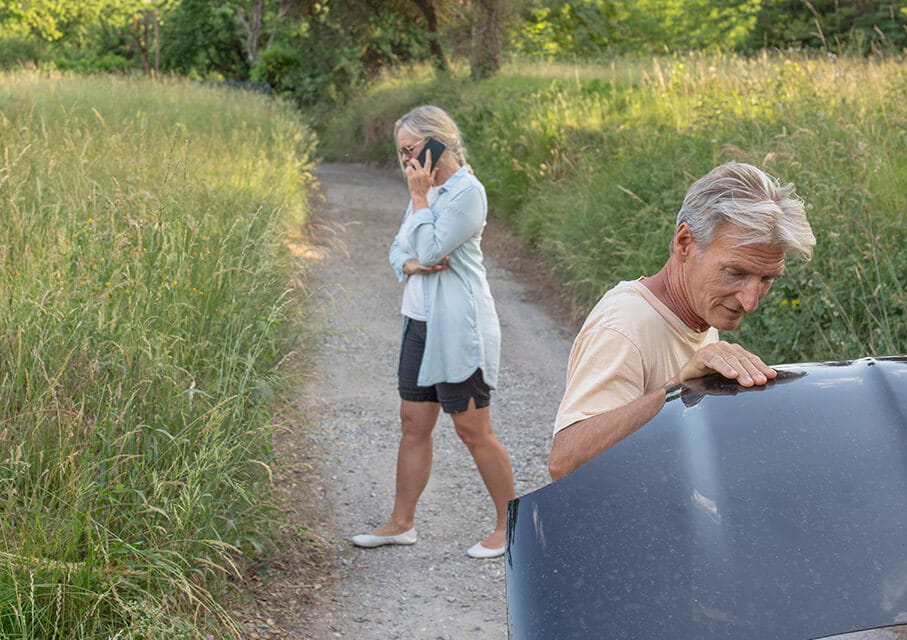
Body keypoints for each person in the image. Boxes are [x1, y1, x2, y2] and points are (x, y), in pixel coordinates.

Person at [548, 162, 816, 480]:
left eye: (767, 279)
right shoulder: (624, 326)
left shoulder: (699, 311)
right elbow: (564, 461)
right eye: (735, 273)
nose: (751, 301)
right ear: (684, 243)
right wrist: (676, 390)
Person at [350, 105, 516, 559]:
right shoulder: (424, 190)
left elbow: (428, 244)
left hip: (458, 329)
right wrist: (410, 263)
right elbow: (400, 250)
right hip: (418, 323)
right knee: (413, 425)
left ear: (437, 142)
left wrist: (421, 205)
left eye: (411, 151)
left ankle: (510, 526)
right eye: (401, 153)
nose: (406, 162)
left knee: (472, 428)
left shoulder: (466, 193)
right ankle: (401, 523)